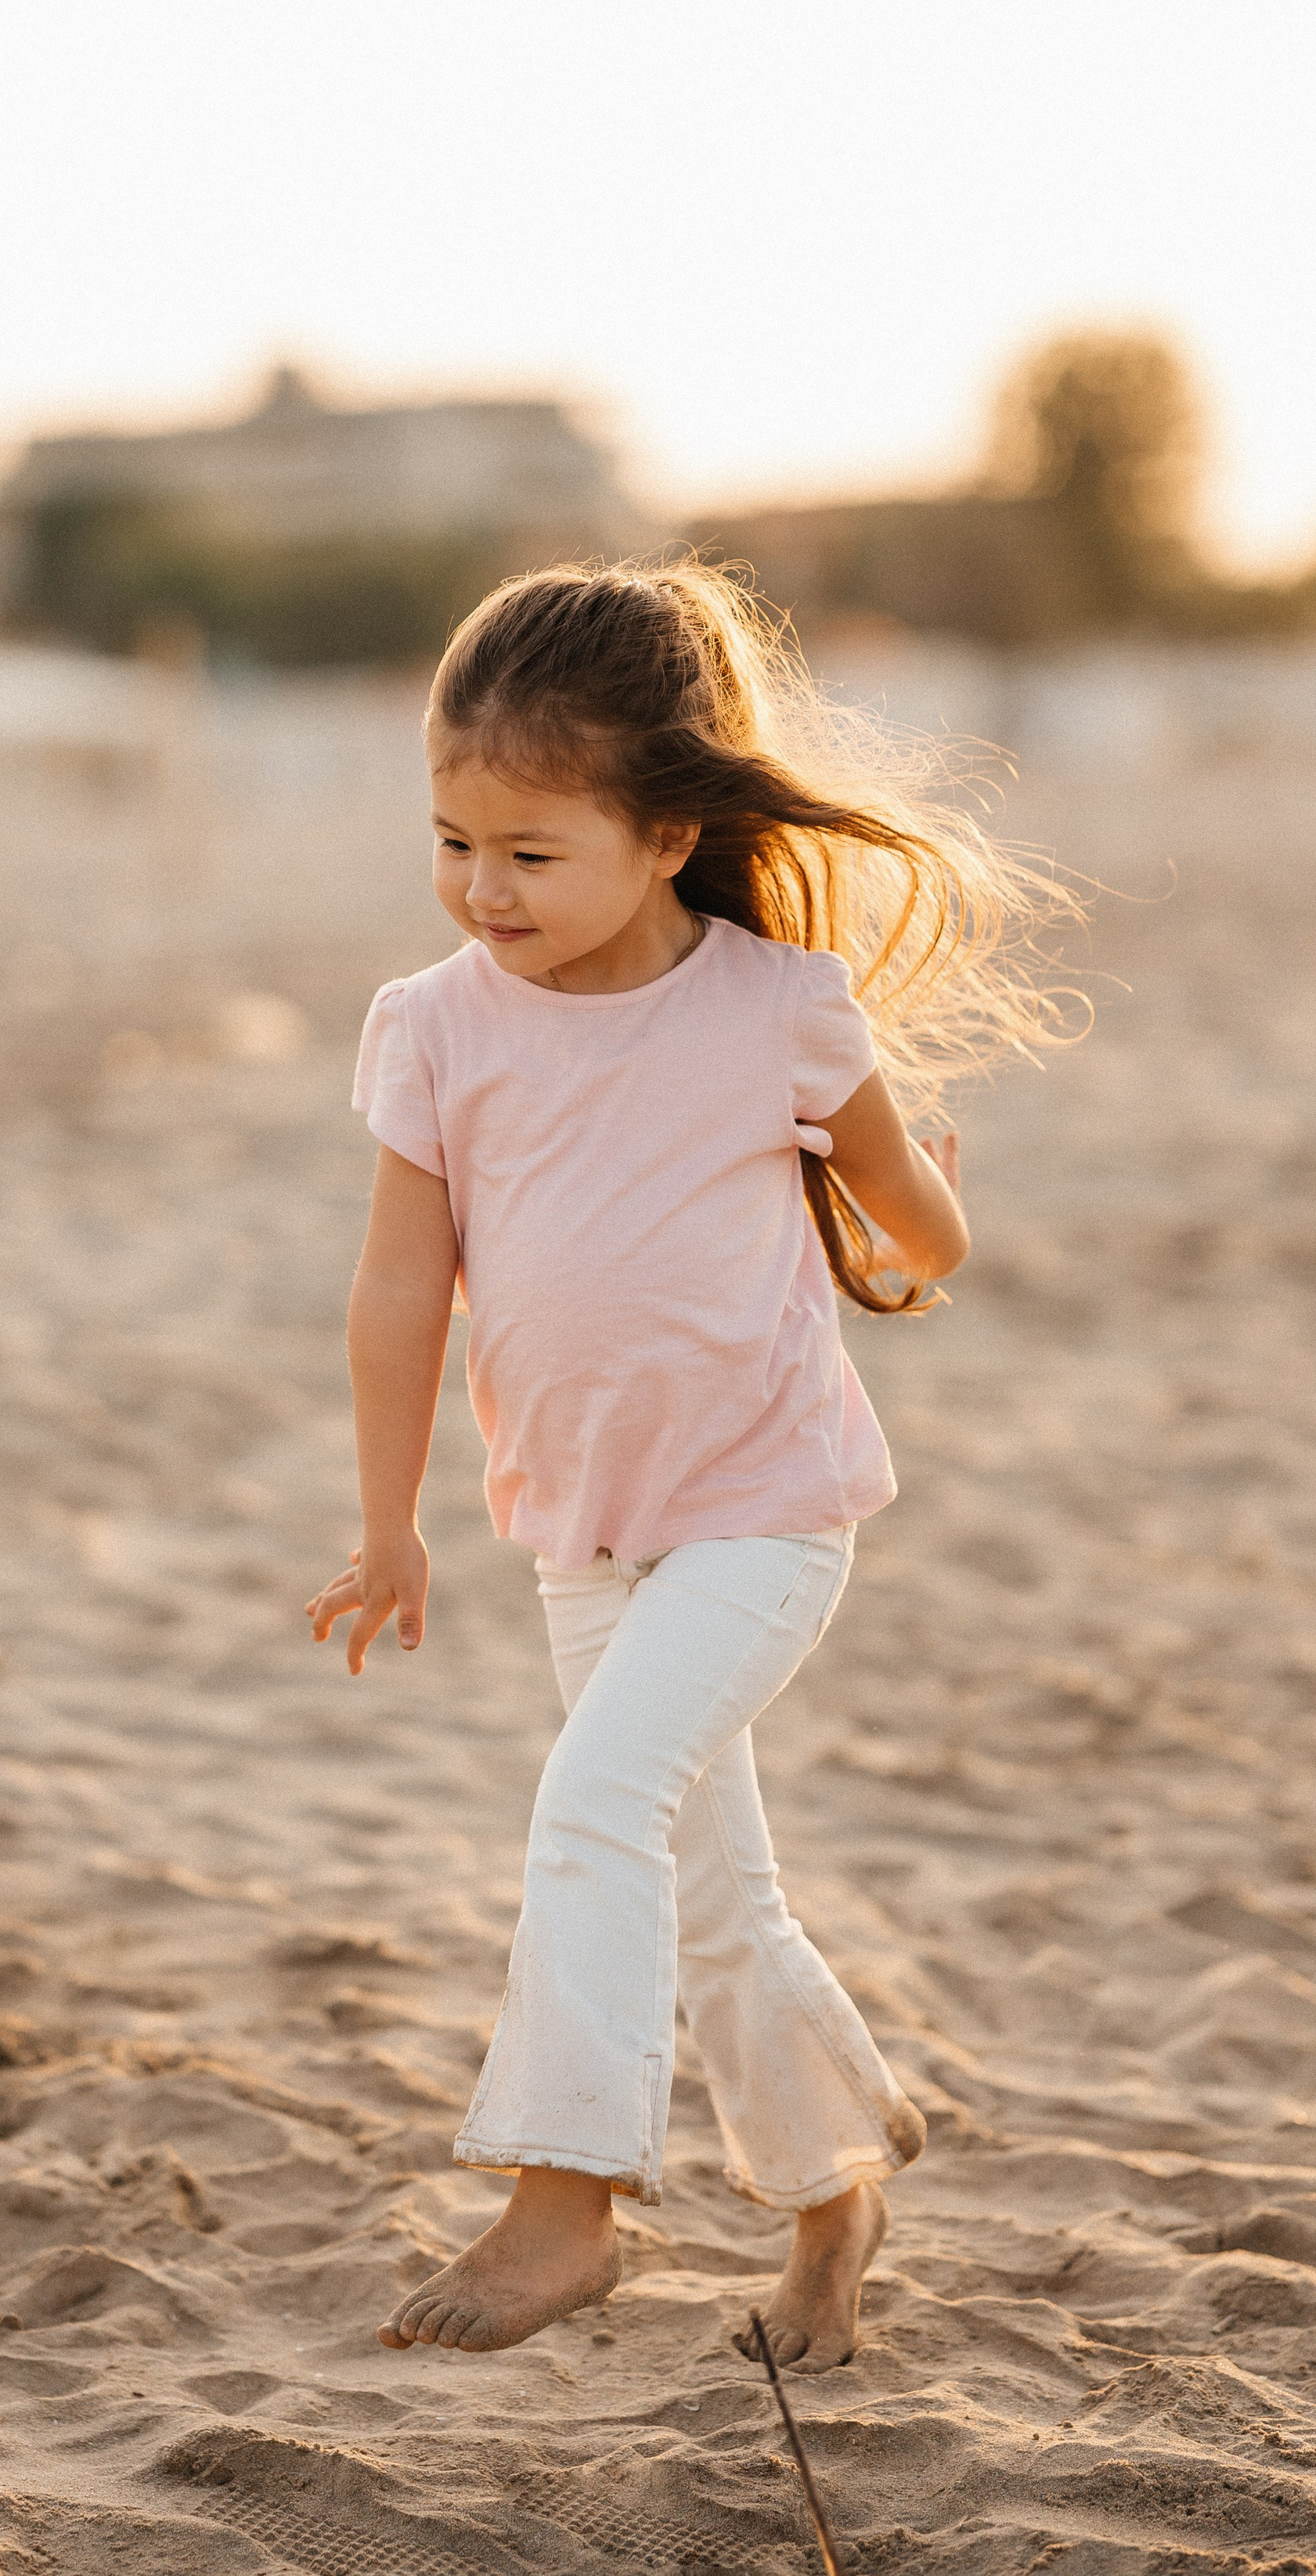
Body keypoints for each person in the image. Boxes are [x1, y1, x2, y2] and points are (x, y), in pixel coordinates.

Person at [307, 562, 1074, 2369]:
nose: (481, 892)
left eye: (527, 853)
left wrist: (898, 1246)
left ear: (666, 834)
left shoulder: (777, 1008)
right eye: (451, 844)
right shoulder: (433, 1026)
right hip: (579, 1531)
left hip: (765, 1512)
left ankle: (560, 2207)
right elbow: (397, 1291)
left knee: (590, 1810)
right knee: (714, 1896)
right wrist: (385, 1523)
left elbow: (920, 1237)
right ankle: (830, 2208)